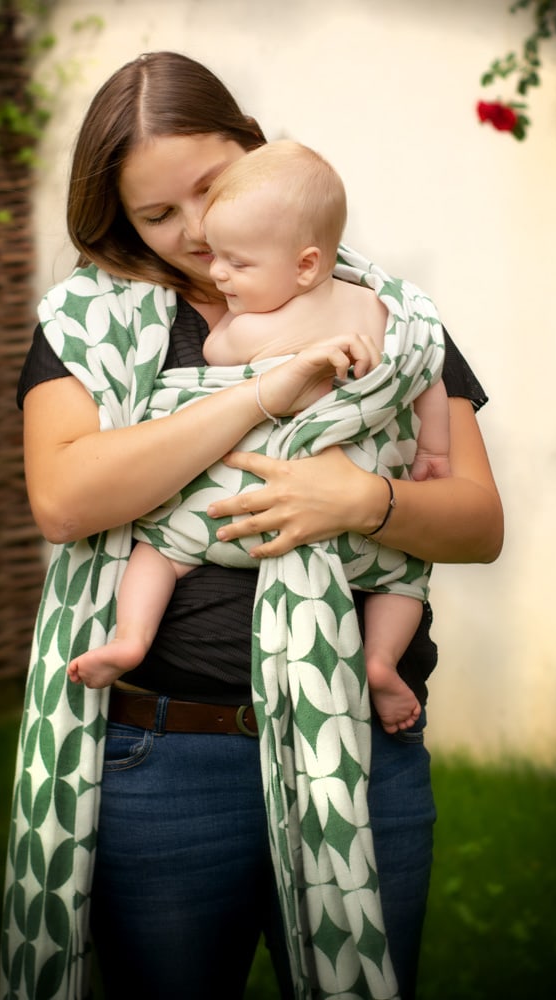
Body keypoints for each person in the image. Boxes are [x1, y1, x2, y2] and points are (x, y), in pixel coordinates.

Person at [0, 51, 503, 1000]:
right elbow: (65, 498)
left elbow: (476, 522)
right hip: (166, 759)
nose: (193, 232)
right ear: (120, 221)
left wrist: (362, 502)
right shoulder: (88, 324)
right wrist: (255, 397)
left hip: (357, 748)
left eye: (209, 188)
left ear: (256, 152)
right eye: (157, 214)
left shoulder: (384, 313)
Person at [67, 139, 451, 737]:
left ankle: (131, 637)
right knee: (403, 580)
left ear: (304, 265)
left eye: (236, 263)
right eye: (216, 256)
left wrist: (243, 335)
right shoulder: (386, 310)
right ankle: (378, 661)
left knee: (162, 550)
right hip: (355, 539)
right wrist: (433, 453)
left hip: (242, 514)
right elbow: (425, 371)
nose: (217, 272)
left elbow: (214, 359)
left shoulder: (248, 327)